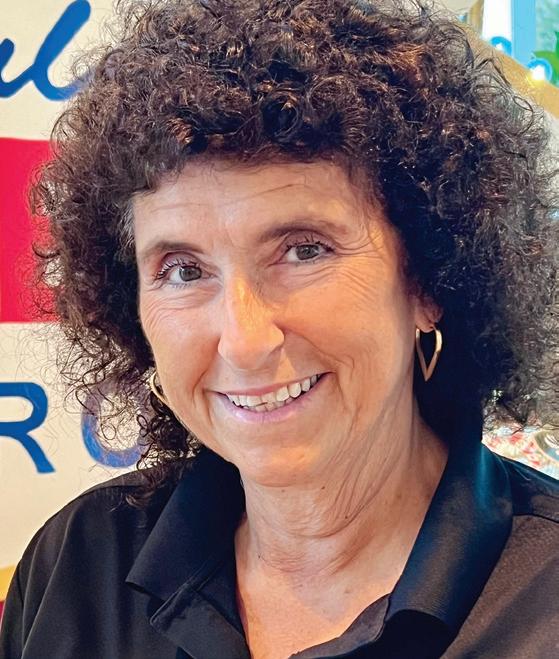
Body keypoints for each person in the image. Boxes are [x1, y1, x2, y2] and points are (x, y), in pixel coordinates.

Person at [1, 0, 558, 657]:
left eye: (303, 250)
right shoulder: (77, 563)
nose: (243, 341)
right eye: (184, 270)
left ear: (428, 281)